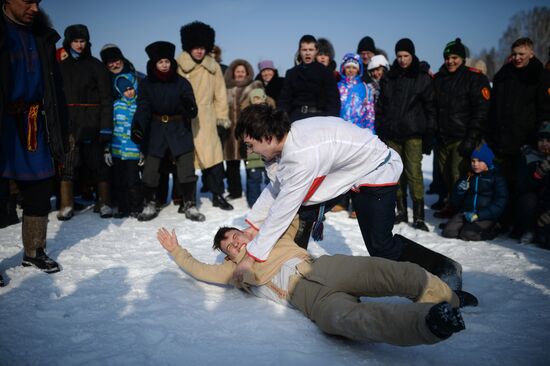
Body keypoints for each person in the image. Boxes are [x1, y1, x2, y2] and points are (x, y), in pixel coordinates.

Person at [233, 104, 464, 291]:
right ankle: (293, 270)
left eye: (250, 145)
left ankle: (443, 270)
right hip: (348, 171)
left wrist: (251, 257)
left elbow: (283, 206)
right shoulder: (288, 138)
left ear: (267, 136)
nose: (251, 151)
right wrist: (253, 225)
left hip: (376, 170)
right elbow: (279, 186)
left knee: (381, 246)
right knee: (305, 213)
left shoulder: (302, 155)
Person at [157, 216, 476, 346]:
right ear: (227, 255)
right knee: (354, 321)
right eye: (229, 245)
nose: (235, 243)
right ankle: (432, 322)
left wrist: (262, 227)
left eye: (235, 235)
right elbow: (198, 269)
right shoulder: (234, 271)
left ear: (245, 232)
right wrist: (176, 251)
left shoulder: (271, 239)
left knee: (394, 273)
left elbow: (291, 211)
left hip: (327, 269)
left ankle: (450, 299)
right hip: (312, 301)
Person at [1, 0, 69, 276]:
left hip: (34, 122)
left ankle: (34, 250)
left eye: (38, 2)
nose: (35, 8)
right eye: (27, 1)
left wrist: (64, 127)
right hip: (3, 121)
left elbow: (55, 87)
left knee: (40, 187)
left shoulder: (43, 36)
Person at [131, 41, 203, 222]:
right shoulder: (146, 84)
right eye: (160, 62)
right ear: (154, 64)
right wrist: (138, 126)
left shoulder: (182, 82)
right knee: (150, 169)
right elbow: (143, 107)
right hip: (155, 130)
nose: (164, 65)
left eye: (167, 61)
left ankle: (189, 203)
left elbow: (190, 101)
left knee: (186, 168)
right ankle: (149, 203)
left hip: (179, 129)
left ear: (172, 62)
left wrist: (190, 107)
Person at [488, 37, 550, 232]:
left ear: (531, 54)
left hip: (527, 144)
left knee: (523, 187)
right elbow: (493, 108)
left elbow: (544, 111)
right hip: (502, 142)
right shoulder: (503, 75)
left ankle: (522, 225)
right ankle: (503, 222)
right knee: (502, 186)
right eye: (514, 54)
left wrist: (538, 139)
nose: (517, 58)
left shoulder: (540, 76)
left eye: (521, 54)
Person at [376, 38, 436, 231]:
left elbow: (430, 108)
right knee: (396, 173)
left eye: (406, 56)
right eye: (399, 56)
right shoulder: (389, 77)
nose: (402, 60)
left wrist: (429, 135)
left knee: (414, 173)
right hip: (392, 134)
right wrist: (383, 130)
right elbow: (382, 107)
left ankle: (418, 216)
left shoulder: (422, 77)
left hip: (413, 134)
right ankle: (400, 211)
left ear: (412, 55)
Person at [58, 24, 113, 220]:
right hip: (70, 123)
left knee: (98, 163)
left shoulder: (97, 66)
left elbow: (107, 99)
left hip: (94, 122)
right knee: (68, 163)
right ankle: (66, 204)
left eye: (82, 41)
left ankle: (104, 202)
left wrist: (106, 127)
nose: (79, 45)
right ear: (68, 42)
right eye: (75, 41)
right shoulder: (60, 68)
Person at [176, 21, 233, 211]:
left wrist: (221, 118)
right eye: (195, 47)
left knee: (215, 159)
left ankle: (218, 195)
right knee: (186, 161)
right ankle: (187, 199)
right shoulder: (179, 65)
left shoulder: (213, 67)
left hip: (207, 118)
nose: (199, 51)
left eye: (202, 47)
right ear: (189, 47)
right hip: (185, 119)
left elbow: (220, 94)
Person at [433, 38, 491, 219]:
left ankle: (460, 211)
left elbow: (481, 112)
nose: (450, 61)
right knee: (445, 176)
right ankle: (451, 205)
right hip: (442, 137)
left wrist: (471, 139)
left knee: (459, 175)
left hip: (462, 137)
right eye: (447, 57)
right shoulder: (439, 78)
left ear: (463, 58)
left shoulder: (474, 78)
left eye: (454, 57)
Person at [442, 143, 508, 240]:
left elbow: (500, 202)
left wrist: (479, 215)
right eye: (473, 161)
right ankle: (465, 227)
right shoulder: (468, 176)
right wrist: (459, 192)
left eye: (480, 161)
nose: (475, 164)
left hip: (485, 216)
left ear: (488, 162)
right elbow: (455, 202)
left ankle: (494, 230)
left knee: (467, 234)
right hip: (466, 213)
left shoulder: (496, 178)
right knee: (448, 232)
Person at [223, 59, 263, 200]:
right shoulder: (225, 87)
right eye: (237, 71)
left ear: (247, 73)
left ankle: (253, 192)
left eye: (242, 71)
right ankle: (235, 191)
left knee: (251, 162)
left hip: (248, 130)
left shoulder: (255, 85)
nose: (240, 74)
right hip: (229, 132)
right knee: (232, 164)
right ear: (233, 73)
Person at [278, 35, 340, 122]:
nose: (307, 53)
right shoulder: (291, 73)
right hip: (296, 118)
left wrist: (331, 121)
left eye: (311, 50)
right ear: (300, 51)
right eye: (304, 50)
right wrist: (282, 120)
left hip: (319, 118)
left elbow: (333, 100)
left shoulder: (326, 73)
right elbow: (284, 100)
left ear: (316, 51)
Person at [106, 74, 142, 218]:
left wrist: (143, 151)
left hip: (134, 151)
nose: (129, 92)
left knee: (133, 181)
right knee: (120, 181)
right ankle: (123, 207)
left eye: (131, 88)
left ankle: (136, 207)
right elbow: (110, 128)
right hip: (118, 151)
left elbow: (143, 130)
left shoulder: (139, 106)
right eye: (125, 90)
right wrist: (107, 148)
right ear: (120, 91)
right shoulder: (116, 106)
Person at [515, 122, 550, 246]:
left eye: (548, 140)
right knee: (528, 199)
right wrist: (537, 175)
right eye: (541, 140)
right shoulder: (529, 157)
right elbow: (521, 186)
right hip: (533, 205)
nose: (544, 144)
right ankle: (528, 230)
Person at [241, 88, 275, 208]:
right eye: (254, 99)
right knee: (253, 179)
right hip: (253, 154)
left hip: (269, 153)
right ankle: (254, 202)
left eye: (259, 99)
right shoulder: (247, 118)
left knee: (270, 178)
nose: (257, 102)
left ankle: (271, 201)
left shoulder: (270, 116)